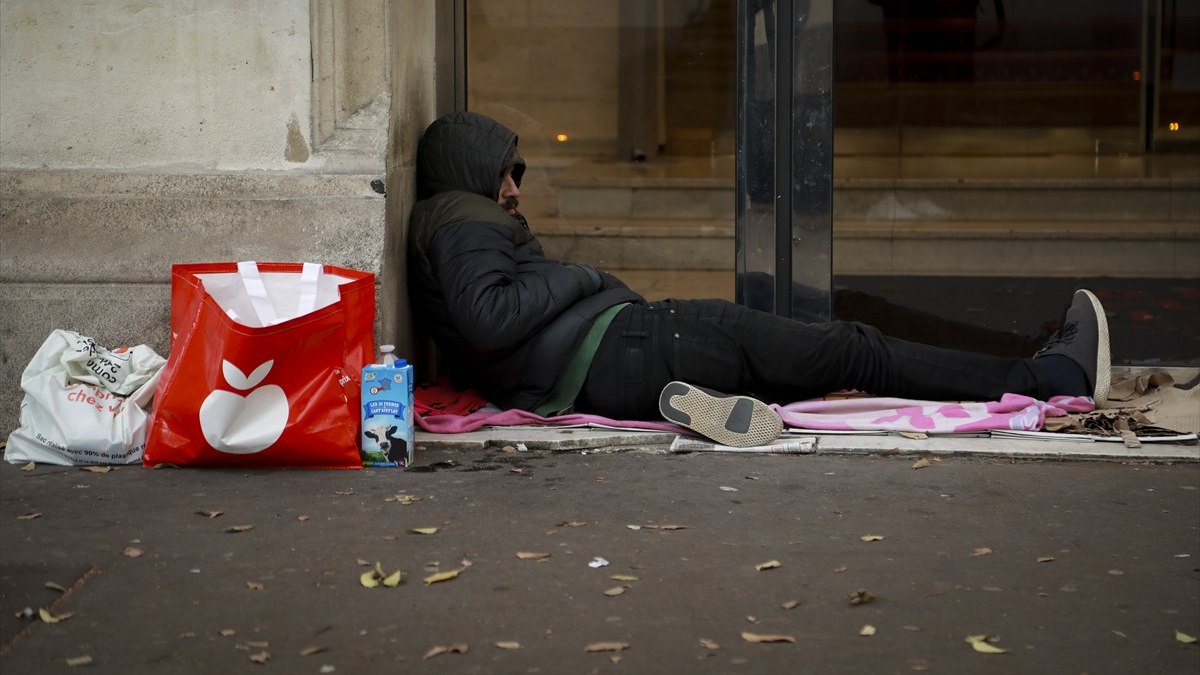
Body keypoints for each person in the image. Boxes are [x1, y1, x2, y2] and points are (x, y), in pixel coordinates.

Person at [407, 111, 1109, 446]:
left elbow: (490, 321)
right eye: (503, 171)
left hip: (616, 361)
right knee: (851, 345)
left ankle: (725, 400)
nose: (512, 188)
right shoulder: (462, 216)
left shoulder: (458, 220)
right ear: (469, 167)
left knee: (826, 342)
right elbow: (488, 316)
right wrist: (584, 276)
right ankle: (1051, 376)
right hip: (637, 341)